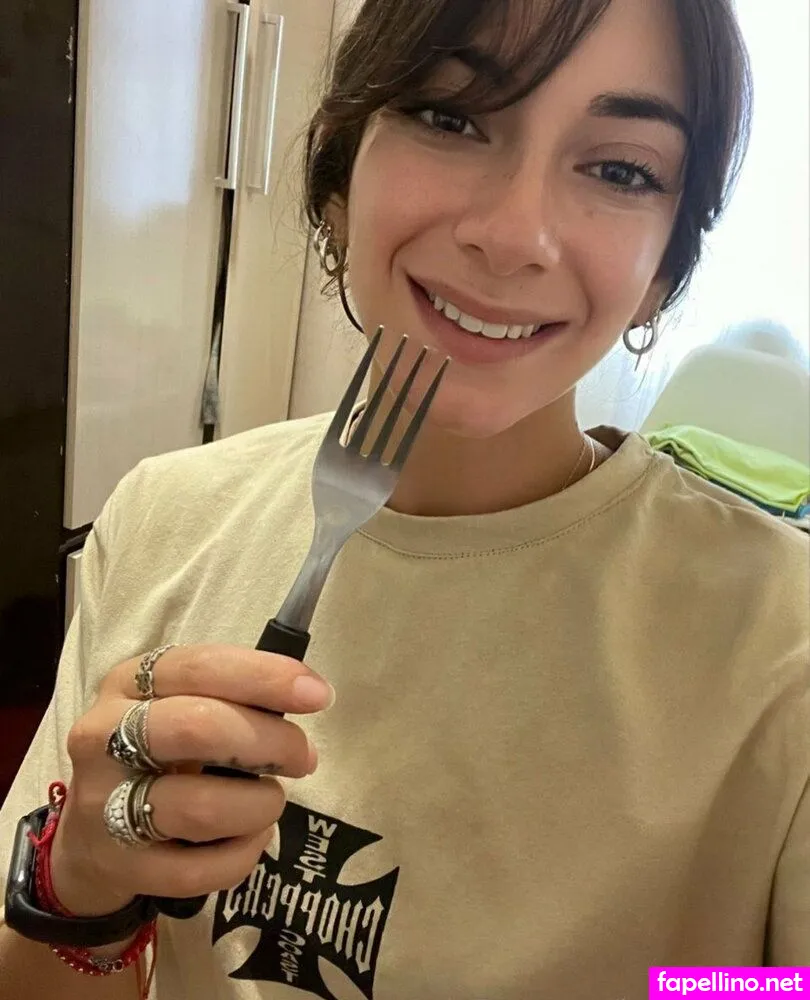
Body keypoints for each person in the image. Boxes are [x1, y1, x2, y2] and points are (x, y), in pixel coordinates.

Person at [1, 0, 807, 997]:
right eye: (450, 117)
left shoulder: (782, 646)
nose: (514, 236)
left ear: (663, 271)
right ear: (339, 176)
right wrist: (80, 884)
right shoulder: (163, 515)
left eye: (621, 171)